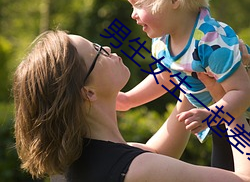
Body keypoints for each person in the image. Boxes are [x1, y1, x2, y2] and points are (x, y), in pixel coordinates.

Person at [13, 30, 250, 182]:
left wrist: (192, 71)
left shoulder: (72, 166)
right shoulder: (138, 170)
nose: (106, 48)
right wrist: (232, 103)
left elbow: (156, 153)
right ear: (88, 92)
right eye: (97, 52)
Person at [119, 0, 250, 171]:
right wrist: (129, 99)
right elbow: (166, 76)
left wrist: (211, 114)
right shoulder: (162, 41)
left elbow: (243, 92)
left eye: (138, 4)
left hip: (240, 120)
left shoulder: (211, 41)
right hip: (222, 121)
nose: (133, 14)